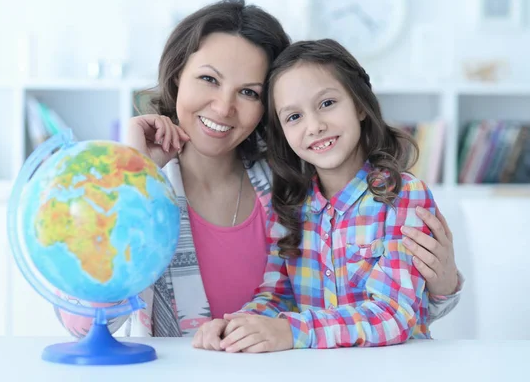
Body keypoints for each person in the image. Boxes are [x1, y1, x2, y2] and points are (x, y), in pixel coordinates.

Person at [56, 0, 462, 339]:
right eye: (209, 79)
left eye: (248, 92)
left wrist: (442, 287)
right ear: (177, 77)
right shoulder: (136, 180)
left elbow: (392, 309)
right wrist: (134, 171)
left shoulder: (291, 183)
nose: (223, 107)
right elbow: (82, 325)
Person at [194, 38, 454, 353]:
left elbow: (393, 315)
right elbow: (278, 296)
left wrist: (291, 331)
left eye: (327, 103)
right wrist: (235, 326)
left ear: (359, 104)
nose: (315, 126)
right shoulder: (290, 205)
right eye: (294, 117)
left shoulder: (404, 197)